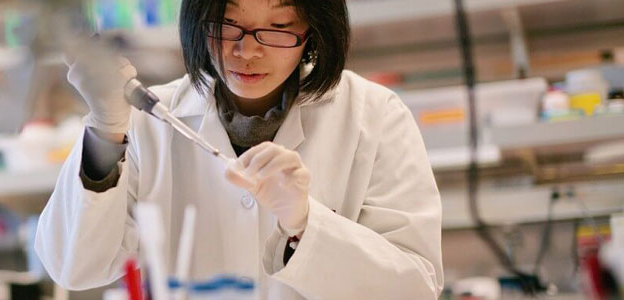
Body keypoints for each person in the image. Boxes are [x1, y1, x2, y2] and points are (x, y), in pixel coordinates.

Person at [35, 0, 443, 298]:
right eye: (227, 24)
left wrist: (306, 224)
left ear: (313, 30)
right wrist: (107, 130)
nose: (247, 51)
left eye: (279, 25)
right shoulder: (147, 121)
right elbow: (75, 266)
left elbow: (415, 287)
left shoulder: (372, 116)